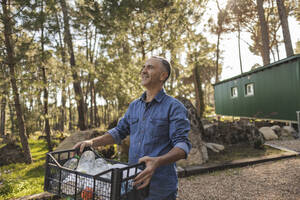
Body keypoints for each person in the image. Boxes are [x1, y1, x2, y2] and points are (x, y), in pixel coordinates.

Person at [73, 56, 191, 200]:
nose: (144, 71)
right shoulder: (134, 106)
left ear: (163, 75)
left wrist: (157, 161)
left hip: (160, 188)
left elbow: (182, 146)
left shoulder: (174, 107)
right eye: (144, 67)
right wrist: (92, 143)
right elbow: (119, 131)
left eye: (150, 67)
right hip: (131, 184)